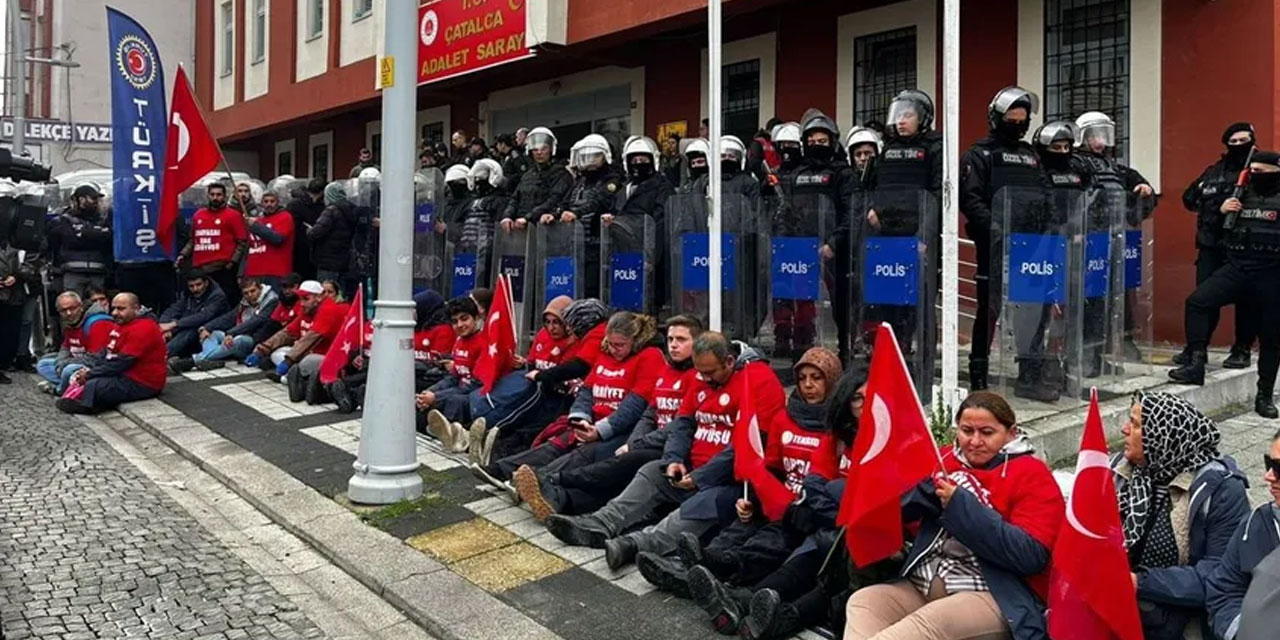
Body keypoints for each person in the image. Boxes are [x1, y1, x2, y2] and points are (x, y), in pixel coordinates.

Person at [545, 332, 787, 571]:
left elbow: (751, 443)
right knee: (652, 472)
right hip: (692, 467)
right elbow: (683, 423)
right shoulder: (703, 377)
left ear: (729, 362)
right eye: (700, 371)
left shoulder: (758, 380)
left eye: (710, 373)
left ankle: (636, 544)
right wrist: (674, 460)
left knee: (702, 505)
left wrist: (702, 477)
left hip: (730, 479)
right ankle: (601, 523)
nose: (703, 378)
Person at [843, 391, 1065, 640]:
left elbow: (1030, 555)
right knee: (863, 602)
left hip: (992, 593)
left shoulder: (1032, 474)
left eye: (987, 433)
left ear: (1011, 433)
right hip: (923, 583)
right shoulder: (944, 458)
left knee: (919, 628)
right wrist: (909, 497)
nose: (975, 441)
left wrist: (961, 507)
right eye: (967, 431)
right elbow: (906, 522)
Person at [689, 363, 880, 639]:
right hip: (825, 515)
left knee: (818, 543)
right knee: (795, 520)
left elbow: (872, 500)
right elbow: (814, 483)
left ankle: (746, 601)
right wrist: (821, 507)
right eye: (857, 398)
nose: (864, 406)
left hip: (854, 531)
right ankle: (732, 579)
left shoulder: (888, 442)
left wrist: (828, 507)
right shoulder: (838, 435)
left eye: (870, 398)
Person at [636, 347, 843, 597]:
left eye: (817, 378)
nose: (808, 385)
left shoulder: (840, 427)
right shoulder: (784, 418)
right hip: (777, 500)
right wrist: (755, 499)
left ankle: (709, 577)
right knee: (738, 528)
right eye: (802, 378)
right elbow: (773, 467)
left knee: (768, 544)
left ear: (832, 381)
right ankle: (690, 566)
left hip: (807, 512)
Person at [513, 314, 704, 519]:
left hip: (666, 446)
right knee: (563, 437)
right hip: (630, 434)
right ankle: (532, 482)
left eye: (681, 340)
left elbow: (674, 422)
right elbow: (649, 414)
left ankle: (551, 482)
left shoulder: (691, 373)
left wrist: (632, 444)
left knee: (606, 460)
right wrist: (580, 417)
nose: (674, 345)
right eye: (671, 339)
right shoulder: (667, 370)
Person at [1114, 391, 1249, 640]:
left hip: (1184, 620)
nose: (1124, 430)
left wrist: (1138, 582)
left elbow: (1218, 576)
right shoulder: (1121, 472)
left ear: (1162, 436)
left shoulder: (1221, 490)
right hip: (1120, 606)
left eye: (1134, 424)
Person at [474, 311, 665, 484]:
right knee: (555, 444)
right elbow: (587, 390)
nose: (614, 349)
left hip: (619, 429)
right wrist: (579, 418)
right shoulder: (606, 353)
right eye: (611, 343)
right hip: (591, 421)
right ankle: (501, 470)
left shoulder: (650, 356)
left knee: (581, 454)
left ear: (635, 340)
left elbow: (635, 404)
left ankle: (533, 482)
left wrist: (599, 431)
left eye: (620, 345)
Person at [1170, 151, 1280, 417]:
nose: (1256, 176)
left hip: (1272, 273)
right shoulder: (1240, 192)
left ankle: (1264, 395)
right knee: (1198, 302)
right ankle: (1196, 362)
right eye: (1252, 170)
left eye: (1262, 171)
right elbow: (1211, 226)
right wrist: (1221, 212)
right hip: (1238, 266)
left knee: (1271, 337)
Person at [960, 86, 1046, 392]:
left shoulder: (1032, 157)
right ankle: (979, 374)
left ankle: (1030, 370)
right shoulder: (980, 154)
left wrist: (1044, 232)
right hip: (994, 245)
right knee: (989, 308)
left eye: (1022, 119)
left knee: (1033, 308)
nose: (1017, 123)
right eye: (1011, 118)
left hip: (1032, 246)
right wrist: (997, 231)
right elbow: (970, 199)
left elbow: (1046, 195)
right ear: (997, 118)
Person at [860, 90, 942, 384]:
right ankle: (890, 361)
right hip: (885, 239)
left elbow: (937, 195)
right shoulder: (884, 151)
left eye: (908, 115)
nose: (901, 121)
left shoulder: (935, 148)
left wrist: (925, 236)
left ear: (923, 119)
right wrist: (871, 210)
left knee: (920, 306)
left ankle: (922, 371)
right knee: (887, 304)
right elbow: (866, 189)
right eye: (898, 115)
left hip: (918, 242)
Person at [1075, 111, 1159, 365]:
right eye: (1094, 136)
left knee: (1118, 295)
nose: (1100, 142)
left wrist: (1144, 192)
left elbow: (1142, 195)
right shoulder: (1075, 164)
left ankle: (1119, 344)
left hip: (1114, 241)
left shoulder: (1117, 169)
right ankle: (1088, 354)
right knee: (1091, 300)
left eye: (1104, 136)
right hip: (1086, 242)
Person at [774, 112, 856, 363]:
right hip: (801, 248)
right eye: (812, 141)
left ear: (832, 141)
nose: (816, 145)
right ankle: (800, 345)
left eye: (822, 141)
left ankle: (845, 349)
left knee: (841, 303)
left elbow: (852, 212)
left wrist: (833, 242)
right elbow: (787, 210)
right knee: (800, 300)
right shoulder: (797, 173)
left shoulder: (844, 173)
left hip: (834, 251)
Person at [1176, 123, 1258, 370]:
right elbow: (1189, 199)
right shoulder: (1214, 172)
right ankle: (1196, 349)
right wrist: (1219, 208)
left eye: (1243, 141)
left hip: (1244, 249)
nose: (1237, 146)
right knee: (1203, 300)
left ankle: (1242, 348)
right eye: (1232, 142)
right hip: (1211, 246)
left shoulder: (1260, 171)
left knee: (1248, 301)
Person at [1206, 428, 1280, 640]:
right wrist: (1245, 632)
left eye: (1279, 468)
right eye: (1269, 463)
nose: (1268, 476)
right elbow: (1224, 592)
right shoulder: (1254, 526)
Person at [55, 293, 167, 415]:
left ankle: (89, 407)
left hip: (142, 382)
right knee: (89, 380)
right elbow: (106, 352)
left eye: (121, 309)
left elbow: (122, 361)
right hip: (123, 375)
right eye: (114, 308)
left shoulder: (144, 327)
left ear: (136, 309)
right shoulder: (121, 325)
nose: (114, 313)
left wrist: (90, 374)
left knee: (95, 385)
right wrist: (90, 371)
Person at [249, 280, 344, 398]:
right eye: (300, 299)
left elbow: (311, 338)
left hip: (329, 356)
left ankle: (292, 380)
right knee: (277, 354)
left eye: (306, 298)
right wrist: (261, 350)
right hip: (308, 353)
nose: (302, 303)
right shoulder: (307, 309)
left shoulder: (328, 309)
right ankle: (293, 377)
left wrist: (288, 361)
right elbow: (288, 332)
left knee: (306, 361)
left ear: (319, 297)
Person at [419, 295, 489, 451]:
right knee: (422, 399)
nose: (460, 325)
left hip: (476, 395)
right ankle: (439, 431)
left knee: (454, 400)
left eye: (464, 319)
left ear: (476, 318)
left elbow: (476, 384)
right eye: (455, 321)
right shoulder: (459, 342)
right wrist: (431, 392)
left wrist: (437, 397)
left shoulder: (484, 343)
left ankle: (457, 437)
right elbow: (453, 377)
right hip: (459, 389)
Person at [560, 134, 623, 297]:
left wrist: (576, 212)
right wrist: (555, 214)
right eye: (585, 156)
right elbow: (565, 202)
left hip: (597, 244)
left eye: (594, 156)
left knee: (592, 288)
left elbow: (599, 200)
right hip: (575, 243)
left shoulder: (612, 179)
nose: (589, 160)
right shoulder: (580, 181)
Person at [186, 278, 281, 371]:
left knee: (236, 341)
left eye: (253, 291)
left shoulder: (271, 300)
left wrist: (231, 333)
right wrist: (207, 327)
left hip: (254, 339)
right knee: (213, 333)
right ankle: (211, 360)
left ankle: (193, 361)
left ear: (260, 289)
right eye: (246, 293)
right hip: (237, 334)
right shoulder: (245, 301)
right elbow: (230, 316)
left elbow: (257, 320)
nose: (250, 295)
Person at [180, 182, 249, 308]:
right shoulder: (198, 215)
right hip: (201, 268)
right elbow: (193, 240)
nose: (215, 197)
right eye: (212, 194)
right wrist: (183, 255)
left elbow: (242, 241)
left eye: (218, 195)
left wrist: (232, 262)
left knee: (227, 300)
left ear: (224, 196)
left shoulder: (233, 215)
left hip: (223, 268)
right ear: (208, 195)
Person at [36, 291, 113, 395]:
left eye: (72, 308)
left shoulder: (98, 323)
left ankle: (59, 390)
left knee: (68, 370)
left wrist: (64, 364)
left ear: (80, 306)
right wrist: (60, 362)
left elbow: (95, 358)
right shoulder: (70, 322)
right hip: (75, 361)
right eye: (63, 310)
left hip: (96, 366)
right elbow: (65, 347)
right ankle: (71, 385)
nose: (68, 313)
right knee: (43, 364)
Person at [47, 184, 112, 296]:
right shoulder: (65, 219)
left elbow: (108, 239)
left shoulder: (103, 219)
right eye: (93, 198)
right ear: (81, 199)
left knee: (98, 305)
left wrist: (83, 233)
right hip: (72, 270)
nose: (97, 202)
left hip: (98, 270)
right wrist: (96, 234)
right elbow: (70, 240)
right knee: (72, 304)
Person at [159, 272, 229, 363]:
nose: (195, 289)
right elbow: (173, 309)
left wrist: (174, 324)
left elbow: (203, 316)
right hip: (188, 325)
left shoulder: (217, 296)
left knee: (189, 331)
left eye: (198, 285)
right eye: (191, 286)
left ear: (206, 283)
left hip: (210, 329)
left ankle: (160, 356)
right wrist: (164, 325)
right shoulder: (187, 294)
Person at [0, 229, 41, 383]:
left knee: (12, 328)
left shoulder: (23, 239)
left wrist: (16, 276)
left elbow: (32, 262)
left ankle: (9, 360)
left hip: (16, 292)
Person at [244, 189, 295, 290]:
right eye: (266, 201)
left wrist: (256, 227)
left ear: (278, 202)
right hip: (254, 272)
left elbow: (277, 239)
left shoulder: (285, 217)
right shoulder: (257, 221)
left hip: (275, 271)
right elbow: (248, 248)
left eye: (272, 201)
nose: (269, 204)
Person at [308, 181, 356, 287]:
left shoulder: (331, 211)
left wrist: (309, 231)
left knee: (326, 293)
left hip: (327, 261)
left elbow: (316, 232)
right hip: (345, 260)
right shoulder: (352, 209)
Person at [286, 178, 326, 280]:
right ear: (322, 193)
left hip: (299, 248)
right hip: (306, 248)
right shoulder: (320, 206)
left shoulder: (294, 204)